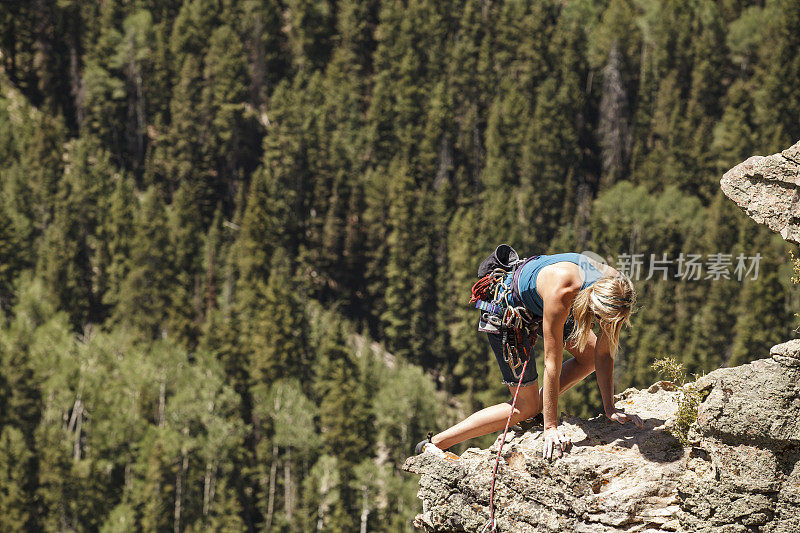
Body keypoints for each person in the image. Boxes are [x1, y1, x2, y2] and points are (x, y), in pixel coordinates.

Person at [415, 252, 644, 461]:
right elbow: (551, 363)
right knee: (524, 407)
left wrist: (610, 408)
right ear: (593, 303)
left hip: (539, 302)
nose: (600, 324)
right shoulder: (562, 292)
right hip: (507, 311)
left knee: (588, 359)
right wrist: (550, 427)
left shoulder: (616, 289)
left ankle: (538, 405)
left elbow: (603, 354)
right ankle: (434, 444)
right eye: (598, 318)